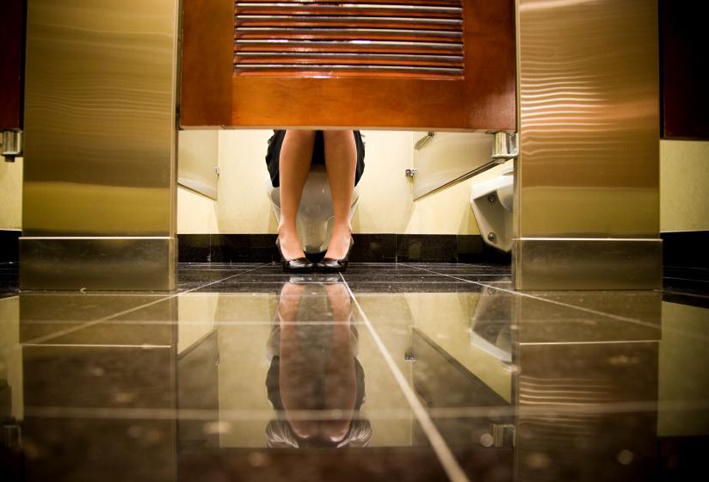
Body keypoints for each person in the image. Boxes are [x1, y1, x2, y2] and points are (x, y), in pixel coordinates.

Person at [266, 130, 365, 272]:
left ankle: (343, 229)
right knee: (303, 122)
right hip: (288, 140)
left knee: (337, 122)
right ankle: (286, 229)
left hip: (345, 141)